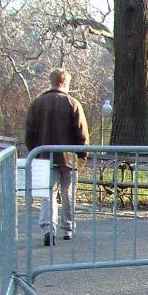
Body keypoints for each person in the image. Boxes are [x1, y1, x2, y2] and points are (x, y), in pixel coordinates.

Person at [25, 68, 90, 246]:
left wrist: (35, 152)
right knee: (68, 193)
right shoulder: (73, 103)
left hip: (45, 156)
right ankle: (68, 228)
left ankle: (49, 229)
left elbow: (30, 134)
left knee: (48, 193)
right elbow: (82, 134)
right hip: (69, 157)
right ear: (67, 83)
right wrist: (82, 156)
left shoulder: (37, 103)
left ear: (51, 81)